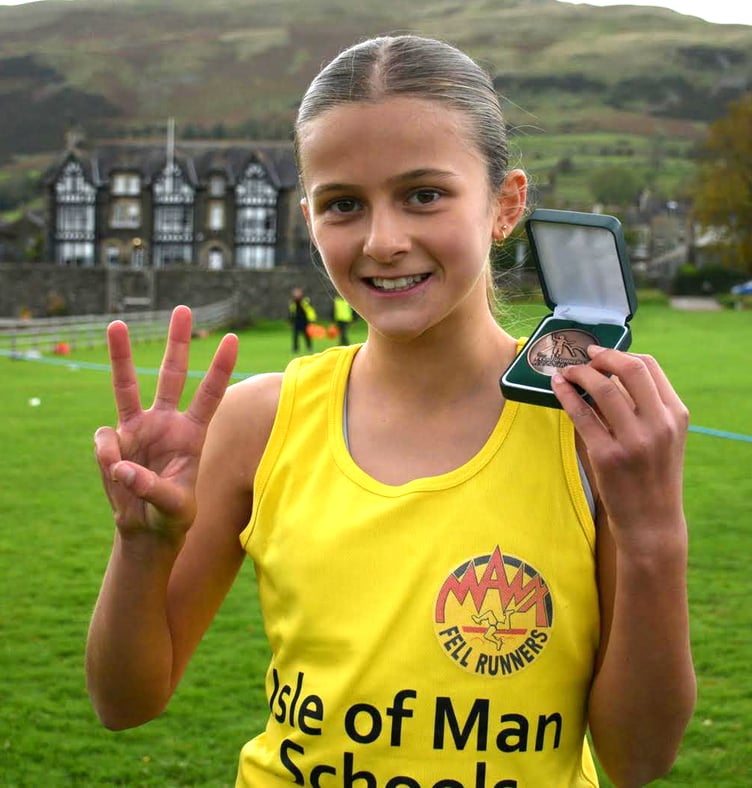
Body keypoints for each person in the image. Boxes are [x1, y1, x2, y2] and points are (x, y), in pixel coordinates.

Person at [87, 34, 695, 787]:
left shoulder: (589, 428)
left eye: (424, 194)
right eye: (344, 204)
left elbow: (638, 759)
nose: (383, 240)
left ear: (506, 204)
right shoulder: (259, 423)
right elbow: (124, 702)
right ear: (309, 217)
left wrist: (655, 532)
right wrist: (142, 549)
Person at [288, 286, 316, 352]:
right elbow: (291, 312)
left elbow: (310, 311)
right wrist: (291, 321)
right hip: (296, 321)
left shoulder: (305, 301)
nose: (297, 294)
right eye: (296, 293)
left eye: (298, 293)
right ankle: (295, 348)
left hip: (305, 321)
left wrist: (311, 320)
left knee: (307, 335)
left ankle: (309, 347)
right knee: (295, 336)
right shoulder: (293, 302)